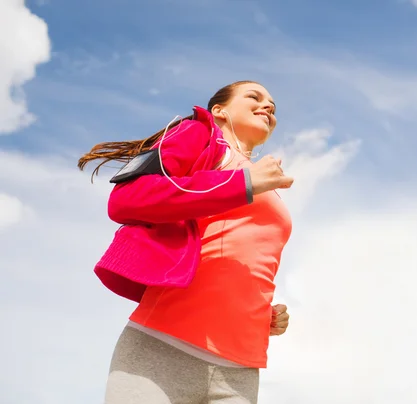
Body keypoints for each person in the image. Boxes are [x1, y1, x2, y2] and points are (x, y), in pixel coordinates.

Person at [78, 80, 295, 404]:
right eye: (254, 97)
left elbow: (235, 251)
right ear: (219, 110)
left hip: (239, 368)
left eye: (273, 107)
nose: (268, 107)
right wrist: (243, 182)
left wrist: (260, 313)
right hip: (163, 348)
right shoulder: (202, 137)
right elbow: (127, 198)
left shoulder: (266, 183)